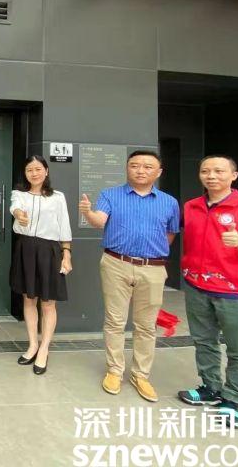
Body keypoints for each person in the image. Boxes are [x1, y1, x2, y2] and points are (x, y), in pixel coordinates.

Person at [79, 149, 179, 402]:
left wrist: (150, 254)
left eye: (147, 166)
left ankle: (140, 375)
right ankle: (114, 370)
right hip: (116, 263)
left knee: (146, 324)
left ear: (159, 172)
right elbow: (99, 221)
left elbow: (170, 234)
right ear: (127, 168)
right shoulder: (110, 195)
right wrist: (88, 212)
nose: (140, 170)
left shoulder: (169, 202)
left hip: (153, 268)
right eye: (135, 165)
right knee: (115, 320)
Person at [177, 155, 238, 426]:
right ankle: (211, 387)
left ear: (234, 175)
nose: (211, 176)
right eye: (205, 171)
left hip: (236, 292)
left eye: (219, 171)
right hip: (197, 286)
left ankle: (233, 399)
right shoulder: (191, 206)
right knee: (204, 341)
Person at [10, 155, 73, 375]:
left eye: (38, 169)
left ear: (46, 171)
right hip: (25, 248)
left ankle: (44, 349)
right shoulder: (19, 194)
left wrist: (66, 254)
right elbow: (15, 208)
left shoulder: (58, 197)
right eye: (30, 170)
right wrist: (19, 215)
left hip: (50, 250)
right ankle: (32, 345)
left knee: (48, 303)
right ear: (25, 173)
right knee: (28, 300)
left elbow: (64, 226)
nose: (34, 173)